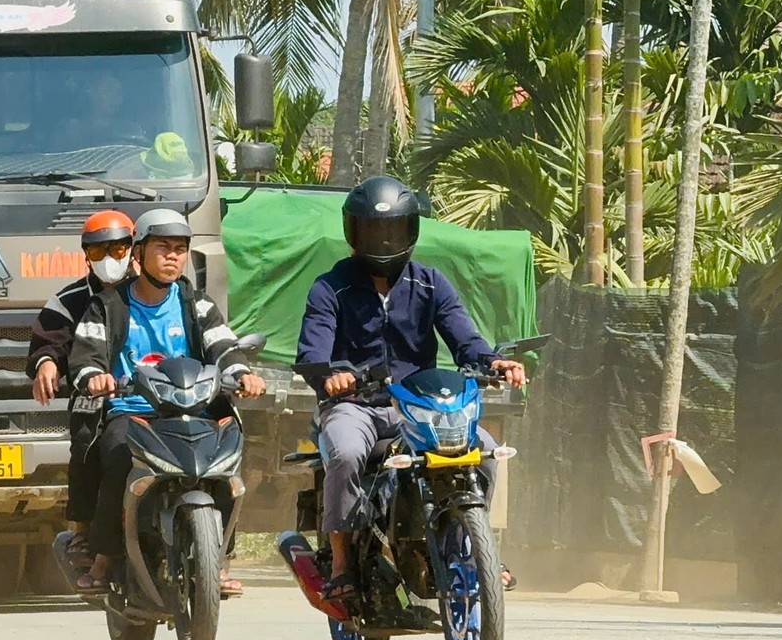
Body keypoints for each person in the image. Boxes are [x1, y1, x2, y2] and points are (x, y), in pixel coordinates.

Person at [295, 176, 526, 613]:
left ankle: (473, 548)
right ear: (353, 233)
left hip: (417, 405)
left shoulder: (431, 284)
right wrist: (331, 376)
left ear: (412, 231)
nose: (383, 240)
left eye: (394, 230)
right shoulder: (331, 287)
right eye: (372, 231)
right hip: (355, 405)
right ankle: (342, 562)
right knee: (343, 453)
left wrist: (495, 363)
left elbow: (466, 341)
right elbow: (313, 350)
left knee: (485, 450)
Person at [66, 209, 267, 595]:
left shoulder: (197, 304)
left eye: (180, 249)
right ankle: (105, 557)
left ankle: (218, 560)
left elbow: (222, 346)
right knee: (118, 458)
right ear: (138, 253)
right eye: (163, 248)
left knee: (226, 465)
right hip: (134, 414)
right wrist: (95, 378)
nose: (173, 256)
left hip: (194, 411)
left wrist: (241, 374)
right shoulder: (107, 306)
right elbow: (85, 356)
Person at [26, 210, 136, 568]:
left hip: (158, 397)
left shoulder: (157, 292)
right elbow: (49, 340)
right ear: (85, 254)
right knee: (87, 442)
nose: (109, 259)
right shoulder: (69, 299)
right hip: (99, 396)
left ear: (134, 249)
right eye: (98, 251)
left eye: (118, 250)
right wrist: (46, 363)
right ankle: (84, 531)